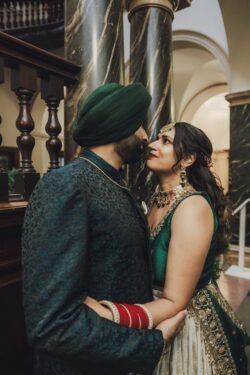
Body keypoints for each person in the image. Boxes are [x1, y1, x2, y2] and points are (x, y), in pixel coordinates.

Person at [22, 83, 186, 375]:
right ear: (119, 128)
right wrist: (151, 342)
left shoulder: (114, 183)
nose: (145, 137)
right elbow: (51, 324)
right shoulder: (67, 185)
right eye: (139, 126)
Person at [86, 121, 250, 374]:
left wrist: (108, 313)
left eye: (165, 141)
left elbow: (175, 300)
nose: (152, 145)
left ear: (187, 159)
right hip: (152, 316)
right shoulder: (156, 200)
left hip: (184, 324)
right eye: (156, 138)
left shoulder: (192, 207)